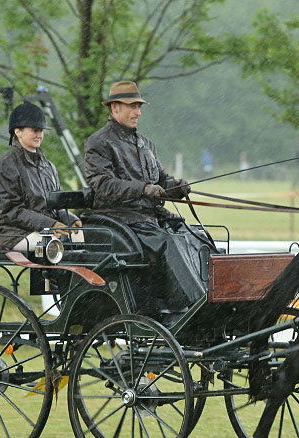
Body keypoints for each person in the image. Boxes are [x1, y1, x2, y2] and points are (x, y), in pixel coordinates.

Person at [84, 80, 207, 313]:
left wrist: (176, 187)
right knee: (170, 242)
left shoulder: (145, 143)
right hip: (122, 220)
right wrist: (142, 189)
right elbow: (103, 185)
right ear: (114, 108)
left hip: (151, 219)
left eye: (139, 106)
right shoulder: (99, 142)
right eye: (132, 106)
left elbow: (161, 179)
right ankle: (195, 305)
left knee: (196, 236)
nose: (138, 112)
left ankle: (215, 297)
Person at [0, 102, 83, 251]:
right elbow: (11, 211)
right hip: (16, 233)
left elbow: (55, 205)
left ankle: (74, 275)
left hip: (45, 230)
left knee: (82, 237)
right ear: (18, 132)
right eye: (34, 130)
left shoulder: (49, 166)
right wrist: (50, 224)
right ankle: (52, 275)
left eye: (41, 131)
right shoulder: (5, 166)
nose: (39, 135)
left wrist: (70, 220)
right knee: (55, 245)